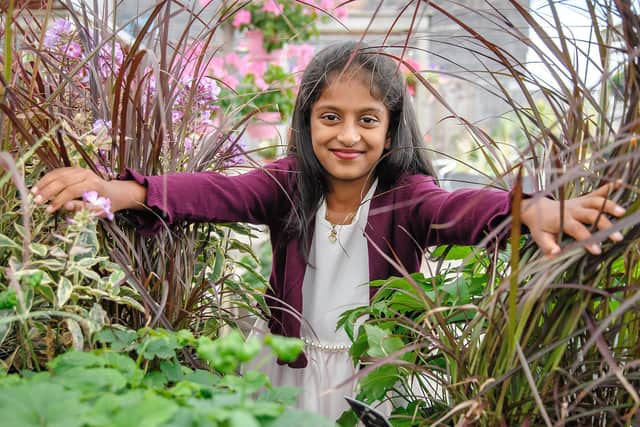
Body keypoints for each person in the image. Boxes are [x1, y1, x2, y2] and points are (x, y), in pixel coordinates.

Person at [31, 41, 626, 420]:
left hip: (377, 374)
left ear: (391, 133)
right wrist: (122, 191)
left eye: (368, 120)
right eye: (330, 117)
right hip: (289, 368)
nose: (348, 135)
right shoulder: (288, 183)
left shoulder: (407, 198)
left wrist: (527, 210)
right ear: (306, 122)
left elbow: (464, 209)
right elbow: (218, 191)